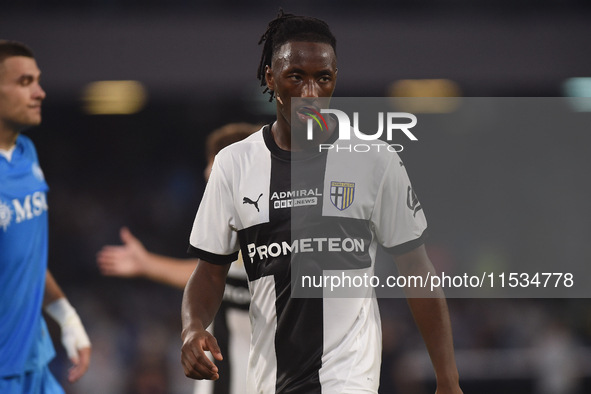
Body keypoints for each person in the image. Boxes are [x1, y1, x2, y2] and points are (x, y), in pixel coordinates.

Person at [181, 10, 463, 394]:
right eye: (296, 76)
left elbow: (416, 269)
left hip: (348, 381)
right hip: (268, 383)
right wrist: (193, 327)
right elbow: (210, 273)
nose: (310, 93)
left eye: (323, 78)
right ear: (270, 77)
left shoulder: (374, 160)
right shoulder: (235, 165)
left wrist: (448, 380)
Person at [97, 123, 259, 394]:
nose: (208, 176)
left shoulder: (279, 234)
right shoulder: (225, 230)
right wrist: (147, 264)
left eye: (214, 168)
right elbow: (209, 275)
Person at [0, 40, 91, 393]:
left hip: (34, 361)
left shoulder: (26, 153)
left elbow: (26, 256)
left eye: (37, 81)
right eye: (24, 82)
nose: (40, 92)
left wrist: (66, 318)